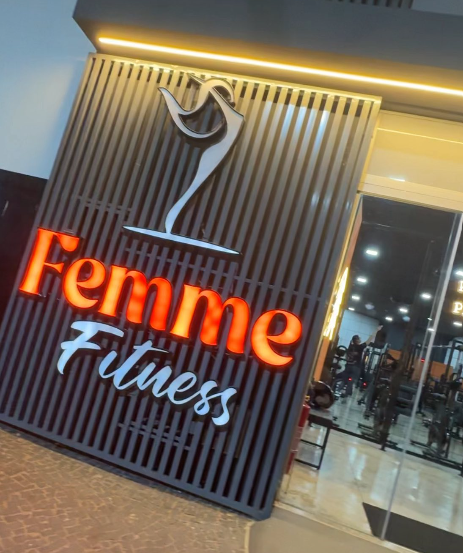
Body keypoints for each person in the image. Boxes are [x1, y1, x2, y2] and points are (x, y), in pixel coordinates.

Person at [343, 326, 383, 397]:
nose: (360, 339)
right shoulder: (360, 347)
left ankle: (347, 391)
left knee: (346, 378)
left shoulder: (350, 347)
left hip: (348, 366)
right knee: (352, 379)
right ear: (357, 340)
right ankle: (347, 393)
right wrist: (376, 330)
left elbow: (346, 356)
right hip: (355, 367)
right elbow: (369, 340)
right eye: (359, 338)